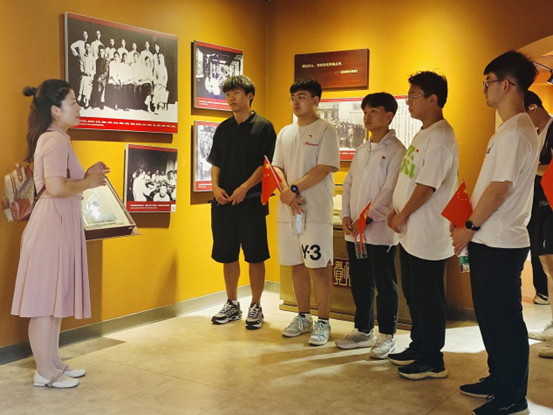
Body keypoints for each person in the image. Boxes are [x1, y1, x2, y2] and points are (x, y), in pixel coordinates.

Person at [451, 51, 539, 415]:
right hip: (490, 239)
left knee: (504, 319)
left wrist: (469, 227)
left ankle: (512, 395)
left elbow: (500, 188)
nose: (484, 89)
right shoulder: (507, 130)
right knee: (490, 317)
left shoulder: (516, 131)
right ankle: (498, 378)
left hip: (500, 241)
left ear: (506, 84)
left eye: (487, 82)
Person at [11, 79, 109, 388]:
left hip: (57, 224)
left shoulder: (58, 139)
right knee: (44, 302)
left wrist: (86, 175)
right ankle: (45, 371)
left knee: (53, 300)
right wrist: (88, 183)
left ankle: (52, 363)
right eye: (73, 102)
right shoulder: (53, 140)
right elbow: (54, 187)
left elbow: (60, 183)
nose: (79, 107)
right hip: (51, 226)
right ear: (55, 109)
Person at [387, 71, 459, 379]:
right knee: (414, 293)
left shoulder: (441, 137)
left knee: (429, 297)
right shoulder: (423, 133)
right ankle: (418, 346)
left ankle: (432, 358)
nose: (408, 102)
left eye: (413, 96)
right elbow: (410, 178)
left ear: (433, 99)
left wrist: (402, 215)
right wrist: (397, 211)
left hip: (427, 232)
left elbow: (428, 185)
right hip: (410, 232)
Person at [336, 93, 405, 358]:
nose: (367, 116)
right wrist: (346, 214)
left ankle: (387, 335)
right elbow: (349, 183)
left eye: (373, 111)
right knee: (361, 282)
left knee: (385, 284)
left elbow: (390, 190)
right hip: (355, 231)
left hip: (379, 230)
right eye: (365, 111)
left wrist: (368, 217)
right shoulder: (362, 149)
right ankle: (363, 330)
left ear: (389, 116)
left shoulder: (397, 150)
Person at [273, 78, 340, 346]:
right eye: (292, 97)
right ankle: (303, 316)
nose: (295, 101)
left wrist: (294, 189)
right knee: (296, 264)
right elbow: (276, 166)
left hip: (315, 211)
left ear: (315, 100)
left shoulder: (326, 130)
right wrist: (286, 192)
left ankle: (323, 321)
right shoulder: (285, 132)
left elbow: (324, 168)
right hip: (288, 211)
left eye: (301, 96)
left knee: (318, 267)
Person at [207, 75, 277, 330]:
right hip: (224, 203)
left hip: (251, 203)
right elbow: (215, 162)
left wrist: (244, 188)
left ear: (249, 95)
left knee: (255, 255)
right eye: (228, 94)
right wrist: (215, 187)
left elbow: (265, 166)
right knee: (227, 255)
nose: (231, 98)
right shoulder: (223, 128)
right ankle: (232, 303)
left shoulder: (264, 127)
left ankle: (256, 305)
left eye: (236, 93)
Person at [524, 90, 553, 357]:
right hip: (539, 206)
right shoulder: (537, 133)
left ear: (533, 107)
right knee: (546, 262)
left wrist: (528, 167)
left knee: (551, 263)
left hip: (550, 206)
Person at [77, 43, 95, 109]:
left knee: (85, 80)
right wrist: (84, 72)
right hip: (84, 75)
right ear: (85, 48)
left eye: (89, 47)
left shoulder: (92, 58)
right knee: (84, 80)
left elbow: (94, 70)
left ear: (90, 48)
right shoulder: (83, 57)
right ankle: (86, 100)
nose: (87, 49)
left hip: (90, 76)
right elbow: (81, 66)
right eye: (86, 47)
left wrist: (90, 73)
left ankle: (80, 95)